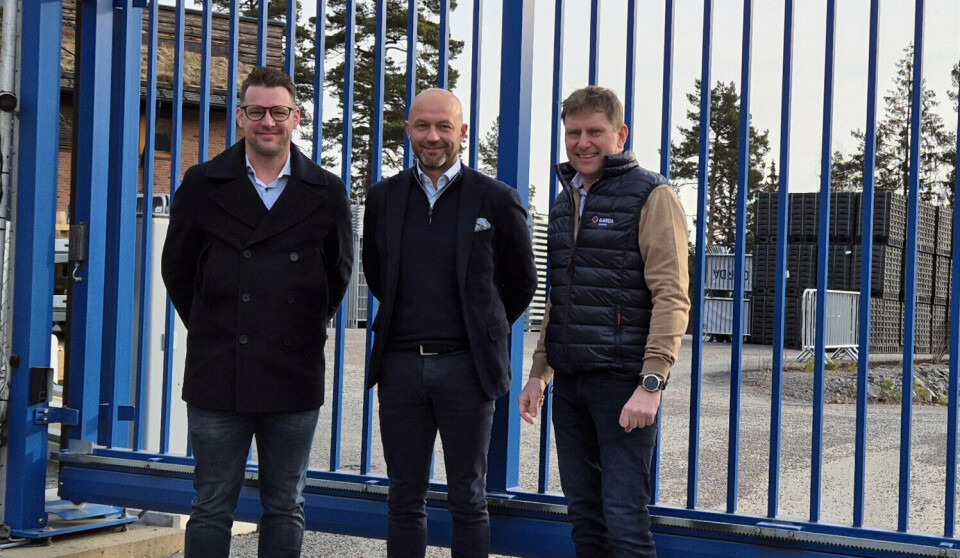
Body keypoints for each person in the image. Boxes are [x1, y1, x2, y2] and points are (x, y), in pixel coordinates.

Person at [161, 66, 353, 558]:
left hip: (292, 371)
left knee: (286, 504)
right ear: (242, 117)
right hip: (217, 369)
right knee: (210, 505)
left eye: (279, 112)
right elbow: (178, 270)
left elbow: (338, 274)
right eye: (257, 111)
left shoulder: (326, 190)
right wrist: (214, 325)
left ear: (297, 118)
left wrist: (300, 328)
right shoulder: (202, 182)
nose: (269, 121)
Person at [362, 88, 537, 558]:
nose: (433, 136)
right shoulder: (383, 198)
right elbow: (376, 274)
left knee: (468, 498)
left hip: (468, 371)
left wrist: (481, 329)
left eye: (444, 126)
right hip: (400, 369)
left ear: (462, 132)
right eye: (423, 126)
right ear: (408, 131)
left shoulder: (497, 200)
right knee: (404, 497)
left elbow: (521, 284)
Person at [517, 86, 690, 557]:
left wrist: (651, 382)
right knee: (585, 522)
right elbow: (560, 297)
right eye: (573, 133)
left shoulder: (653, 195)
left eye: (595, 131)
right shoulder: (564, 201)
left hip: (623, 386)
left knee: (625, 523)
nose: (583, 143)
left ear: (620, 134)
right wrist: (539, 374)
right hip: (570, 386)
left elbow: (672, 296)